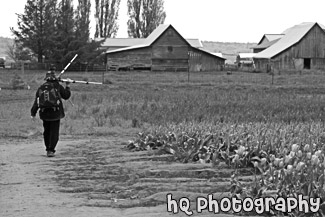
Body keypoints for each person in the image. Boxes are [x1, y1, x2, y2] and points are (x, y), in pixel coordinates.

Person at [31, 67, 72, 157]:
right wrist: (68, 86)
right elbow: (66, 96)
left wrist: (33, 113)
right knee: (54, 132)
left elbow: (36, 102)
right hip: (55, 113)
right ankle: (51, 150)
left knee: (47, 131)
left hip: (44, 113)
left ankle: (47, 149)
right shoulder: (58, 86)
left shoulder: (41, 88)